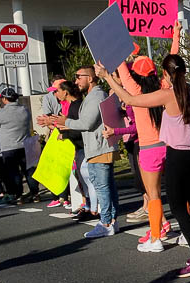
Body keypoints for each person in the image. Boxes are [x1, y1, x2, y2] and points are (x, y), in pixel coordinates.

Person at [97, 55, 190, 277]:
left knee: (179, 208)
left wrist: (107, 78)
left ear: (166, 74)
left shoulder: (167, 95)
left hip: (178, 156)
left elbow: (130, 100)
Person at [106, 49, 174, 252]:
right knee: (178, 192)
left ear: (136, 75)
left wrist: (108, 73)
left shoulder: (134, 91)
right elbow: (172, 59)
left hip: (148, 149)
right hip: (168, 145)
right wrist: (176, 35)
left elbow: (122, 73)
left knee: (153, 195)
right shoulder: (163, 88)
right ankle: (172, 229)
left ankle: (156, 237)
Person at [50, 67, 118, 238]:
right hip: (94, 147)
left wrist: (66, 122)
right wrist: (63, 123)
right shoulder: (92, 96)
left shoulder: (96, 96)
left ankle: (107, 222)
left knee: (103, 187)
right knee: (105, 186)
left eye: (79, 77)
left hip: (99, 147)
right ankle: (110, 221)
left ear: (90, 78)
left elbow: (86, 123)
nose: (76, 81)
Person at [0, 87, 35, 204]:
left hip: (9, 146)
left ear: (5, 99)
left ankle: (18, 194)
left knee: (14, 172)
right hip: (25, 144)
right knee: (29, 170)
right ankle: (35, 194)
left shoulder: (1, 112)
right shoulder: (24, 110)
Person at [39, 75, 70, 208]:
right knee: (55, 166)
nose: (55, 93)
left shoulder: (70, 101)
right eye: (53, 91)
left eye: (56, 90)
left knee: (65, 167)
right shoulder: (51, 98)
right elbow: (48, 117)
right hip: (56, 133)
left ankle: (65, 196)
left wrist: (53, 124)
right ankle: (59, 195)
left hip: (64, 135)